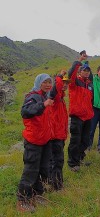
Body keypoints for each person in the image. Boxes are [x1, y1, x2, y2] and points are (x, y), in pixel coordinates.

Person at [17, 74, 54, 212]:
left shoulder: (46, 96)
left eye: (49, 82)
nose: (48, 85)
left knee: (43, 169)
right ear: (38, 83)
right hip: (34, 140)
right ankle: (23, 201)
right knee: (31, 171)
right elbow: (25, 112)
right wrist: (42, 105)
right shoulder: (33, 96)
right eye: (45, 82)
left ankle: (37, 195)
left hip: (45, 139)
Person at [67, 50, 94, 172]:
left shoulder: (89, 85)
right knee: (75, 140)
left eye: (88, 70)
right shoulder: (74, 82)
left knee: (86, 140)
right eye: (84, 70)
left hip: (88, 117)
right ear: (80, 71)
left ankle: (80, 158)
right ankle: (73, 163)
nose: (86, 72)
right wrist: (80, 60)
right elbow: (70, 74)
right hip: (77, 116)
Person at [48, 70, 70, 190]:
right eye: (63, 83)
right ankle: (56, 185)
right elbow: (55, 88)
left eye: (67, 83)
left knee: (55, 160)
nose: (65, 85)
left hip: (59, 134)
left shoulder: (61, 98)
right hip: (54, 135)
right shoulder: (56, 97)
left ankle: (53, 183)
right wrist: (59, 76)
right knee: (56, 161)